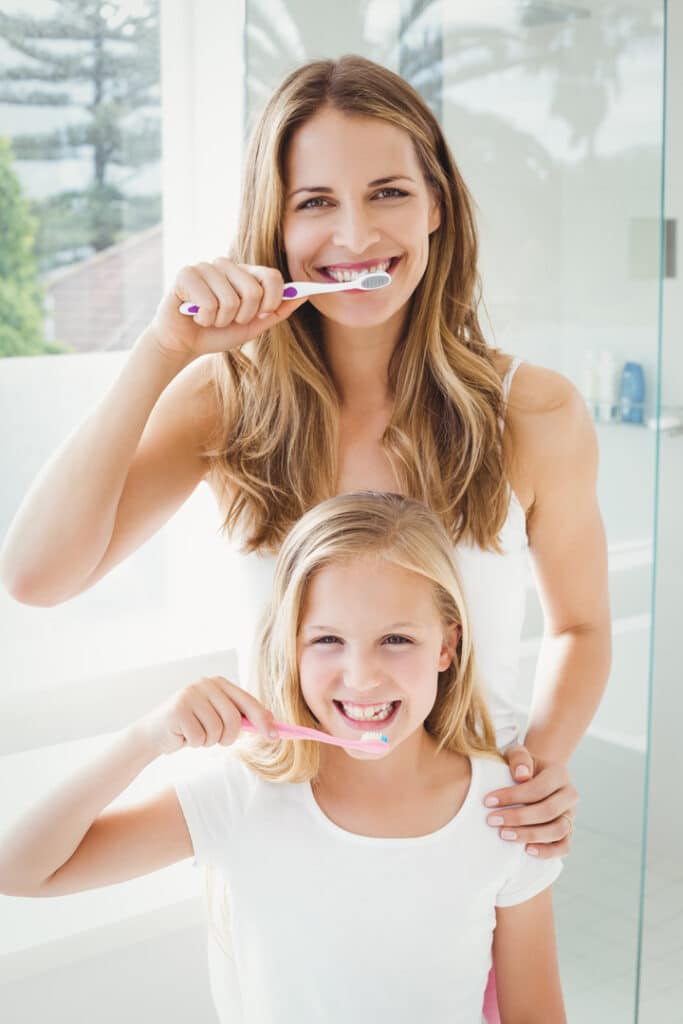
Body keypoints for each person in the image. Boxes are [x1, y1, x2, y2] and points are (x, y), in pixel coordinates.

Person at [0, 54, 610, 1019]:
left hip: (461, 832)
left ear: (437, 207)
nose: (354, 232)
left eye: (387, 193)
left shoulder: (532, 411)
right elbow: (34, 576)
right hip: (286, 827)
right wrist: (162, 351)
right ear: (274, 227)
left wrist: (542, 768)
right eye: (314, 201)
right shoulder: (226, 404)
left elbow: (579, 625)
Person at [0, 491, 567, 1023]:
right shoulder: (241, 796)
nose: (362, 676)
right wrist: (144, 740)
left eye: (396, 640)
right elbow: (20, 871)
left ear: (447, 645)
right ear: (289, 649)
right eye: (327, 640)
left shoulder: (507, 811)